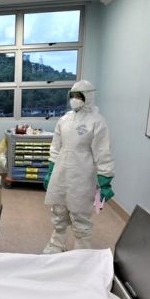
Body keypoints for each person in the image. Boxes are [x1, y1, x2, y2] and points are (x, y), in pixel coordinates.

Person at [42, 80, 114, 253]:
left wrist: (105, 180)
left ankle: (82, 250)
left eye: (79, 96)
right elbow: (55, 147)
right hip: (61, 171)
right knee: (59, 209)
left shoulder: (97, 121)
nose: (74, 99)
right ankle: (56, 243)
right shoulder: (64, 120)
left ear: (88, 97)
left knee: (80, 213)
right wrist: (50, 171)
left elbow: (103, 151)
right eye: (72, 96)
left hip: (83, 173)